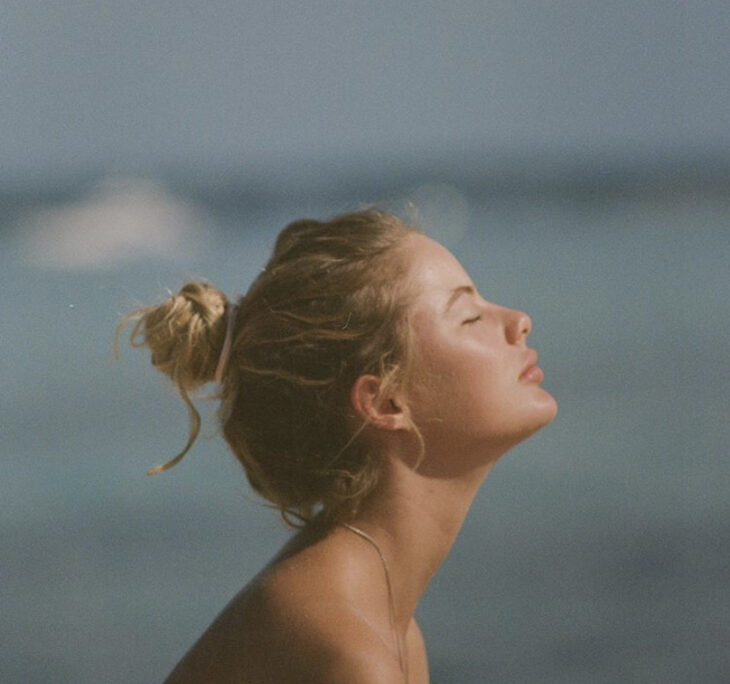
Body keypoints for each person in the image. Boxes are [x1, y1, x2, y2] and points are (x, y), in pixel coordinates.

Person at [116, 208, 558, 683]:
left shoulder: (385, 629)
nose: (519, 320)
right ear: (385, 401)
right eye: (469, 317)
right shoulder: (349, 651)